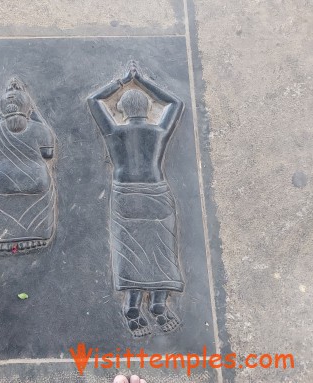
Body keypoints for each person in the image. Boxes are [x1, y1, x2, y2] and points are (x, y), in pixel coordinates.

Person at [88, 62, 185, 336]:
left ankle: (132, 305)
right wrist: (142, 80)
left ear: (121, 110)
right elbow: (176, 102)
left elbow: (93, 100)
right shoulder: (159, 132)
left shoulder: (114, 133)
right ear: (145, 108)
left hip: (125, 194)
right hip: (156, 193)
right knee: (161, 250)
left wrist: (120, 82)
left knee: (129, 249)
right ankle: (158, 303)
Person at [0, 77, 56, 253]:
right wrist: (33, 112)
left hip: (1, 183)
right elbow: (48, 154)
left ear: (2, 107)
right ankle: (36, 237)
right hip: (35, 181)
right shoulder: (41, 129)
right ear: (27, 106)